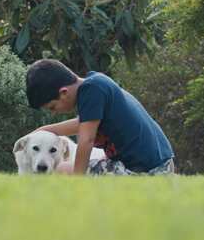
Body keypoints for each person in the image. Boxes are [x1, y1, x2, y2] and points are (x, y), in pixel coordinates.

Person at [26, 59, 175, 176]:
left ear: (64, 92)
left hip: (146, 171)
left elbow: (86, 140)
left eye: (52, 107)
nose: (53, 112)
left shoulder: (91, 91)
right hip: (161, 164)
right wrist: (43, 130)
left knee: (61, 170)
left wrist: (77, 183)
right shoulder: (96, 82)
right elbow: (82, 124)